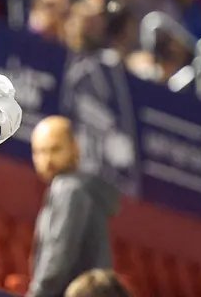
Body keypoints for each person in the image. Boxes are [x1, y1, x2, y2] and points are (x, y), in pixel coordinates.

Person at [28, 116, 119, 297]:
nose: (47, 159)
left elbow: (59, 255)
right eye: (39, 151)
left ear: (75, 147)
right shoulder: (81, 189)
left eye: (55, 149)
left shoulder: (69, 190)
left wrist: (36, 294)